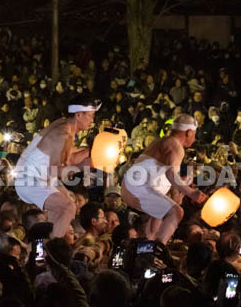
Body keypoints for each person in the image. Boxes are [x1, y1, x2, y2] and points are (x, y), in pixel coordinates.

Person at [13, 100, 100, 239]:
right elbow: (55, 171)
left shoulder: (65, 127)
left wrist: (92, 151)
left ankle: (46, 245)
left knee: (65, 206)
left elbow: (68, 158)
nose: (92, 120)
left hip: (44, 179)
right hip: (30, 180)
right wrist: (80, 167)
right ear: (78, 115)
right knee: (68, 207)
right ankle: (53, 249)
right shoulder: (62, 134)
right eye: (90, 115)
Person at [121, 114, 208, 244]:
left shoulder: (162, 142)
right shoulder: (175, 145)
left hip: (131, 187)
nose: (194, 139)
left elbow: (169, 178)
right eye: (194, 134)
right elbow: (170, 174)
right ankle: (158, 250)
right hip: (138, 187)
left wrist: (187, 179)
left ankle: (149, 251)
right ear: (189, 132)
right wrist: (191, 193)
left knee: (158, 219)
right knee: (177, 212)